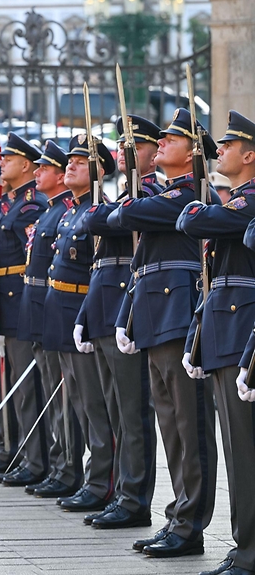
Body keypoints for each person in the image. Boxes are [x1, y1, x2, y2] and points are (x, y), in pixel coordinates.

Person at [108, 107, 220, 558]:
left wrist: (130, 205)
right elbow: (120, 219)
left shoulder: (192, 193)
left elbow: (127, 215)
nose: (158, 150)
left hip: (180, 312)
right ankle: (177, 515)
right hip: (155, 314)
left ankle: (191, 523)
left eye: (170, 142)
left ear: (192, 152)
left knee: (189, 425)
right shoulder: (167, 193)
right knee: (171, 423)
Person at [77, 115, 162, 529]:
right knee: (113, 408)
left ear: (152, 155)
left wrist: (116, 212)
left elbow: (113, 220)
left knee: (133, 410)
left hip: (132, 311)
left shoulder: (153, 194)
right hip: (106, 308)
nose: (126, 153)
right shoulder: (122, 197)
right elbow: (91, 223)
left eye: (137, 147)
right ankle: (120, 491)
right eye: (123, 145)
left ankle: (135, 498)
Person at [189, 110, 255, 575]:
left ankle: (250, 552)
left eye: (229, 147)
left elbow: (196, 221)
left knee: (245, 450)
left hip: (242, 331)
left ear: (249, 155)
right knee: (238, 450)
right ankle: (244, 546)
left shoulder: (248, 201)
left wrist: (195, 205)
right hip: (225, 330)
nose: (221, 153)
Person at [42, 135, 116, 514]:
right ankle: (91, 477)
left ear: (101, 170)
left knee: (94, 403)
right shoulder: (73, 210)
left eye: (80, 161)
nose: (69, 165)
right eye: (69, 160)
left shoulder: (102, 209)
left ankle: (103, 481)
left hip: (83, 311)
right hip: (61, 310)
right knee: (78, 401)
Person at [15, 140, 82, 498]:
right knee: (57, 399)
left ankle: (69, 468)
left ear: (58, 176)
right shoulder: (51, 212)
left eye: (44, 168)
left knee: (66, 398)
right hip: (40, 310)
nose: (37, 173)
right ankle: (59, 465)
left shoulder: (59, 212)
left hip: (54, 312)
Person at [0, 133, 48, 484]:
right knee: (13, 382)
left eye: (7, 159)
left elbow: (32, 260)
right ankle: (14, 451)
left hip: (20, 302)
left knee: (28, 386)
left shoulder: (32, 205)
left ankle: (35, 460)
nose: (0, 164)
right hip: (5, 300)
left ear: (25, 165)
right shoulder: (11, 204)